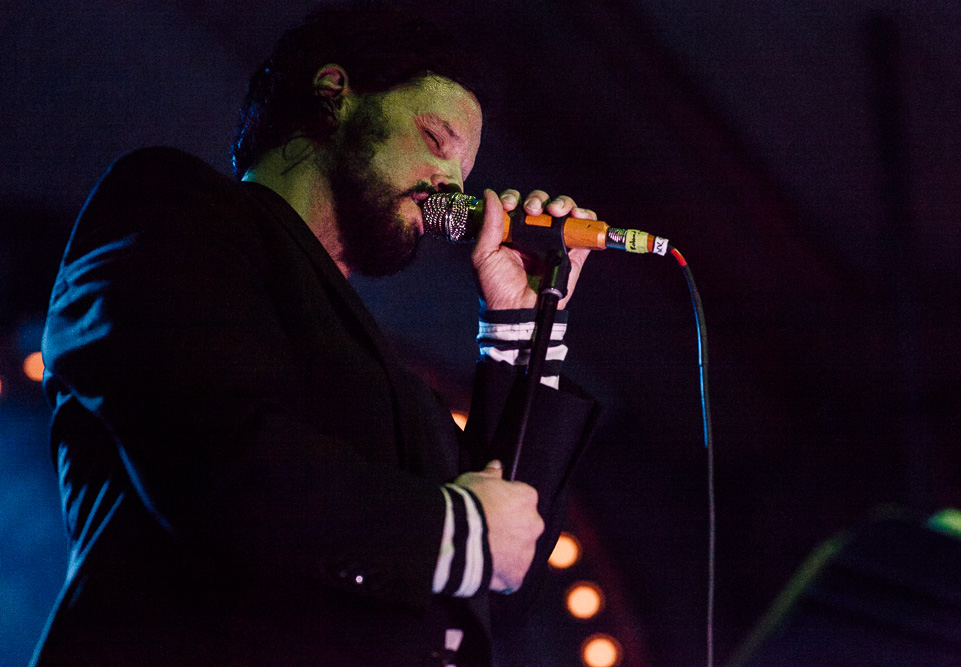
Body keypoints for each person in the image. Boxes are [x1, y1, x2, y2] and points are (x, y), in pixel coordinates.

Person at [32, 6, 599, 666]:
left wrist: (521, 330)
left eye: (464, 175)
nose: (450, 186)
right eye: (435, 139)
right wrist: (454, 529)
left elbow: (502, 578)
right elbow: (216, 454)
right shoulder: (171, 206)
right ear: (334, 93)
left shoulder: (400, 393)